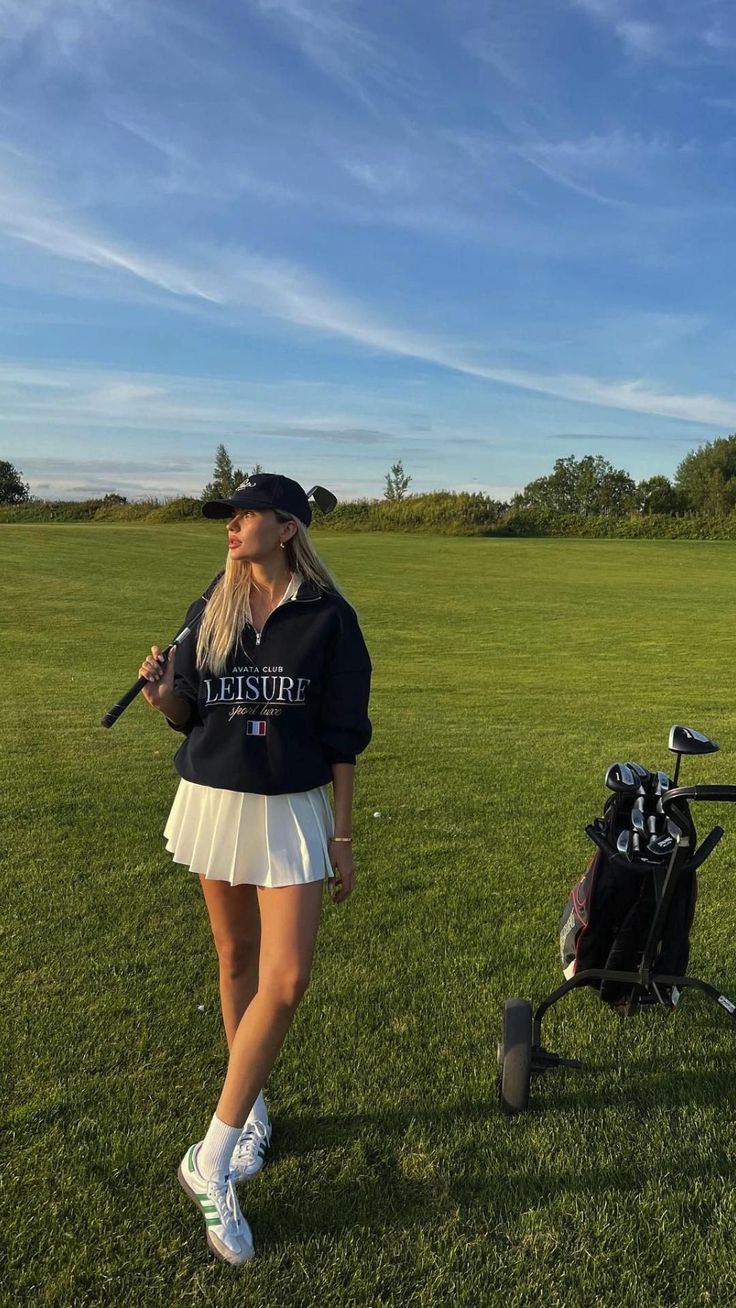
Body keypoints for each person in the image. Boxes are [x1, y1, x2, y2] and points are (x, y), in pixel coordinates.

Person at [137, 472, 372, 1266]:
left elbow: (344, 734)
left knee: (288, 976)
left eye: (244, 516)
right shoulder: (215, 606)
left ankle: (211, 1154)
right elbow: (189, 711)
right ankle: (251, 1109)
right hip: (214, 795)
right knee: (235, 959)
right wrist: (164, 695)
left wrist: (343, 836)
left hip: (293, 808)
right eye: (228, 517)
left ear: (287, 527)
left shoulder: (329, 619)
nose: (231, 527)